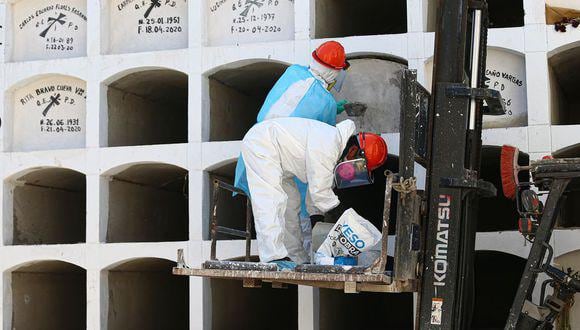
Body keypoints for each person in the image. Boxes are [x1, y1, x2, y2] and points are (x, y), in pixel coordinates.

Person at [241, 117, 388, 270]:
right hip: (262, 143)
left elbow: (316, 197)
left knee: (291, 205)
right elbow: (320, 193)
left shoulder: (334, 156)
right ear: (352, 151)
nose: (353, 173)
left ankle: (295, 258)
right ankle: (272, 257)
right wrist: (345, 220)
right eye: (359, 168)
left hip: (279, 160)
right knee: (271, 200)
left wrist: (318, 224)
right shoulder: (329, 143)